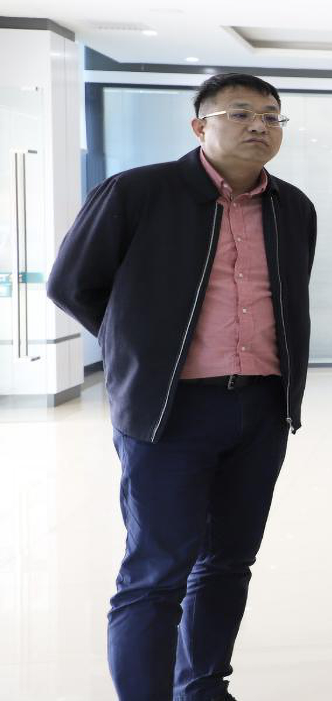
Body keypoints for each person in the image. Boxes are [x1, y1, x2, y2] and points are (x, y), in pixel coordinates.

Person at [48, 73, 316, 701]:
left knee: (228, 562)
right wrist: (140, 348)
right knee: (157, 571)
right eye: (240, 113)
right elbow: (73, 284)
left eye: (272, 116)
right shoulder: (138, 192)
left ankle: (202, 687)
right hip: (169, 410)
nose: (259, 125)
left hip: (261, 406)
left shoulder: (293, 207)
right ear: (200, 126)